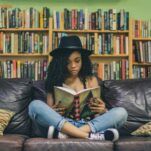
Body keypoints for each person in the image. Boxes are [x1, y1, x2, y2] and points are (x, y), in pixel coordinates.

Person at [28, 35, 128, 141]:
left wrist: (103, 110)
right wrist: (52, 111)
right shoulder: (53, 81)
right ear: (61, 63)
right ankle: (90, 136)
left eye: (77, 61)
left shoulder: (90, 80)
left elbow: (97, 112)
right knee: (34, 106)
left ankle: (68, 134)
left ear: (83, 61)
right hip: (64, 123)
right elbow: (50, 114)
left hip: (88, 124)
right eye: (68, 62)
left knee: (121, 113)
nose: (73, 66)